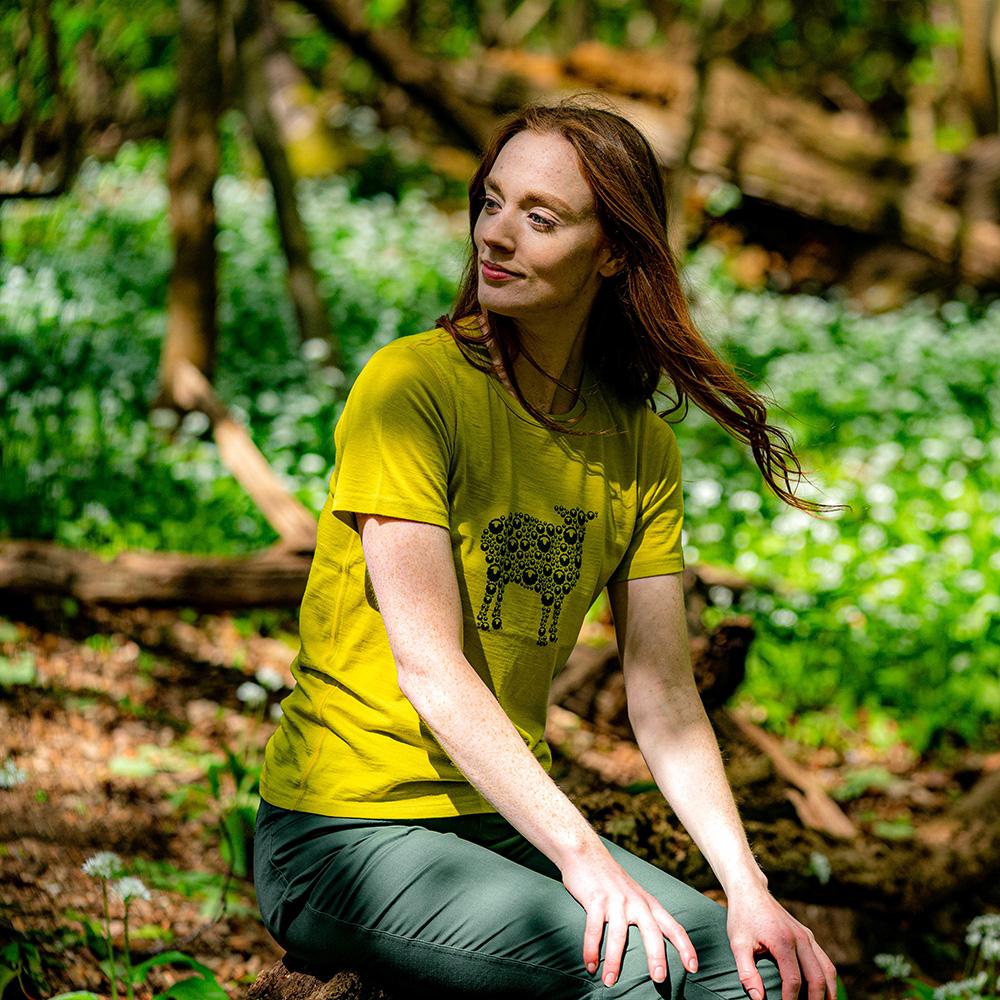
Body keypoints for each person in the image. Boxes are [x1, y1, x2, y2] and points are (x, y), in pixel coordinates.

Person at [253, 96, 842, 1000]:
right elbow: (429, 669)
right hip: (341, 831)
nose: (497, 235)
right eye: (492, 202)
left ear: (612, 251)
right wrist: (582, 857)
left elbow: (666, 697)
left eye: (541, 217)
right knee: (633, 978)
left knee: (753, 975)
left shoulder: (640, 446)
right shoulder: (410, 389)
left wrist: (746, 887)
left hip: (497, 822)